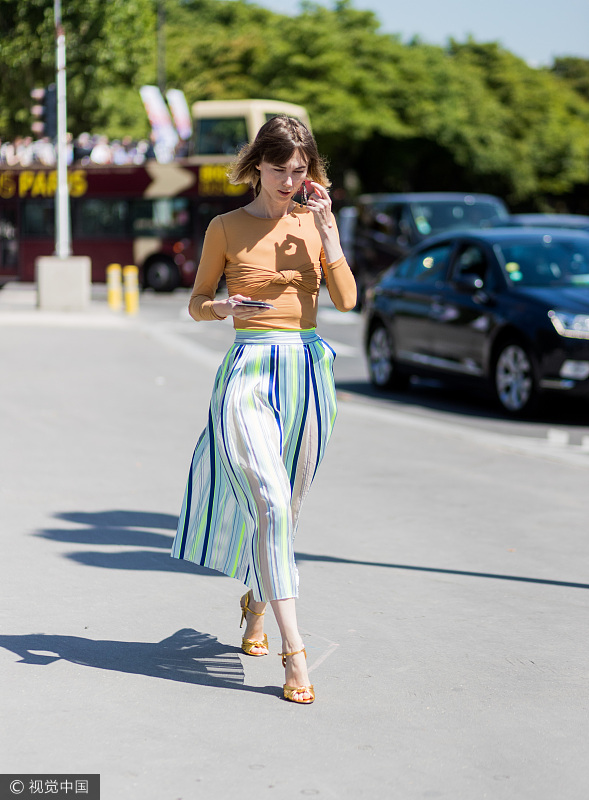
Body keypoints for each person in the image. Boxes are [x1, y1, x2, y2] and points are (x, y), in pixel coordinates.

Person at [170, 115, 357, 704]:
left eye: (300, 171)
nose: (289, 181)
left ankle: (256, 603)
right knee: (271, 501)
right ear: (257, 166)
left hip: (307, 372)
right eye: (279, 170)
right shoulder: (225, 227)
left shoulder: (314, 222)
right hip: (248, 369)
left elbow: (348, 301)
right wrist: (223, 307)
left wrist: (328, 232)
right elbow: (196, 303)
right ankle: (294, 652)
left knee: (287, 510)